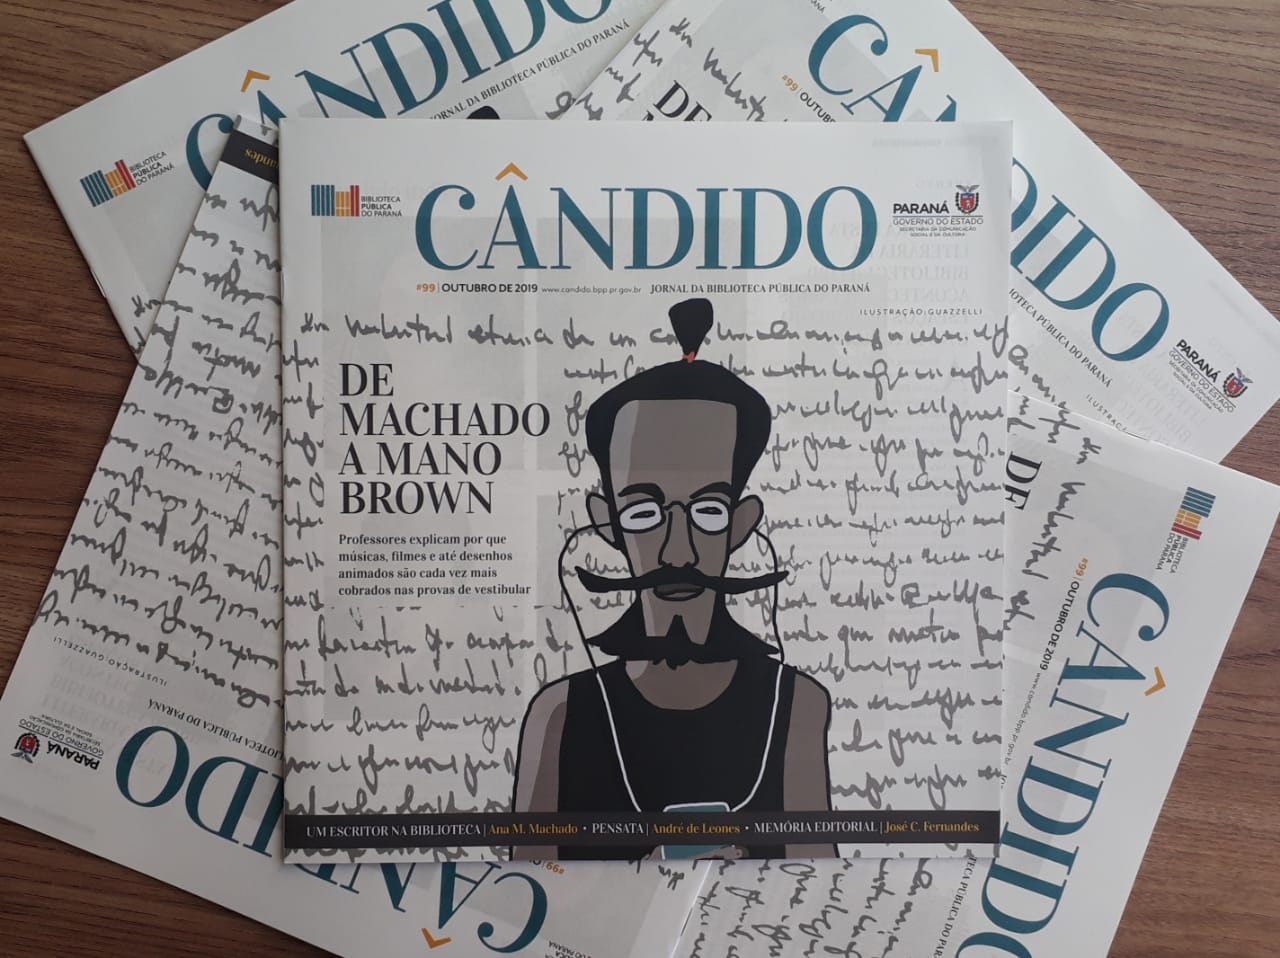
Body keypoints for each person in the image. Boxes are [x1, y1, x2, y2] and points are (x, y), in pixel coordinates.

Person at [512, 298, 834, 860]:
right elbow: (520, 889)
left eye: (708, 511)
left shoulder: (798, 705)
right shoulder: (559, 717)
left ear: (741, 524)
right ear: (607, 523)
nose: (678, 551)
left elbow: (818, 885)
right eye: (643, 513)